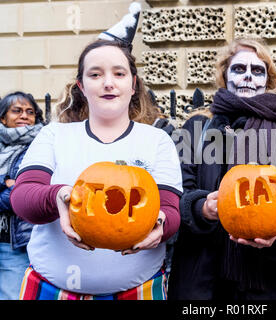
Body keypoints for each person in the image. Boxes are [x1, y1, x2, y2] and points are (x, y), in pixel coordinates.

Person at [9, 4, 182, 300]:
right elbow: (23, 198)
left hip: (137, 291)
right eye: (95, 74)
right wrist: (60, 195)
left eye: (119, 73)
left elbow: (171, 209)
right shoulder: (54, 134)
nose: (108, 83)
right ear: (81, 86)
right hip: (52, 290)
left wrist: (162, 225)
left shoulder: (158, 141)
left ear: (132, 84)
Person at [168, 38, 276, 300]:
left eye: (257, 71)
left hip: (269, 281)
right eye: (239, 69)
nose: (248, 76)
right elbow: (176, 194)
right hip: (202, 282)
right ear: (225, 75)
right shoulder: (196, 129)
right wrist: (202, 208)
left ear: (267, 80)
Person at [0, 92, 44, 299]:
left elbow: (23, 196)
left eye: (30, 112)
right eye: (16, 111)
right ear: (3, 117)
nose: (24, 116)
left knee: (12, 293)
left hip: (15, 239)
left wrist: (15, 188)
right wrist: (5, 182)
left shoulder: (41, 146)